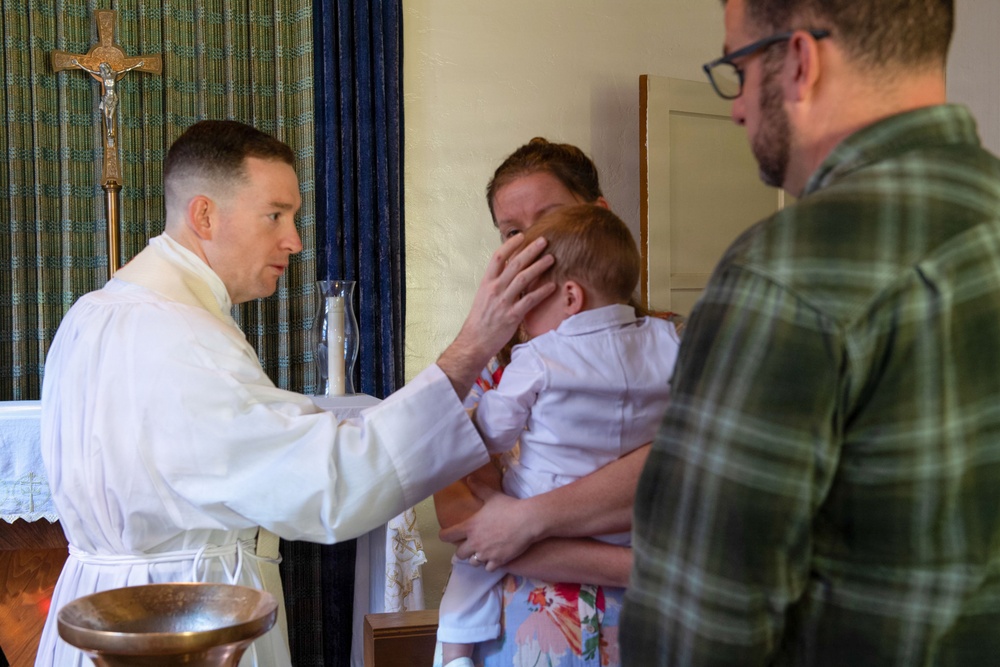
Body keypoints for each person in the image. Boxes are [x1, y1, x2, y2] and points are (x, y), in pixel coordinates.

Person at [35, 120, 557, 667]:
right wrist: (471, 347)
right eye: (275, 215)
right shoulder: (182, 336)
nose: (295, 239)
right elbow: (329, 482)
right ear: (205, 215)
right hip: (183, 624)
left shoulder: (94, 312)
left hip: (97, 611)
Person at [623, 0, 1000, 665]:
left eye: (736, 68)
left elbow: (691, 634)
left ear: (799, 60)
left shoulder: (785, 273)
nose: (736, 107)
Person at [433, 138, 659, 667]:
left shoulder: (669, 344)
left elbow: (690, 474)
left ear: (596, 216)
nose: (531, 244)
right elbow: (462, 517)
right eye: (513, 233)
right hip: (525, 630)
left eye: (548, 219)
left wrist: (526, 520)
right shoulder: (490, 366)